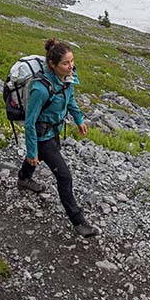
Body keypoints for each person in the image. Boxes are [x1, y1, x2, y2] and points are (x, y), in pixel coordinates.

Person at [17, 38, 100, 238]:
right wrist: (32, 150)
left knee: (41, 159)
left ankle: (24, 178)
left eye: (72, 61)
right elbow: (29, 122)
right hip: (41, 135)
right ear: (53, 65)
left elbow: (70, 99)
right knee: (64, 176)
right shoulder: (40, 89)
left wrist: (79, 118)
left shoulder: (67, 79)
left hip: (53, 131)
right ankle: (78, 221)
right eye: (66, 63)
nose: (71, 66)